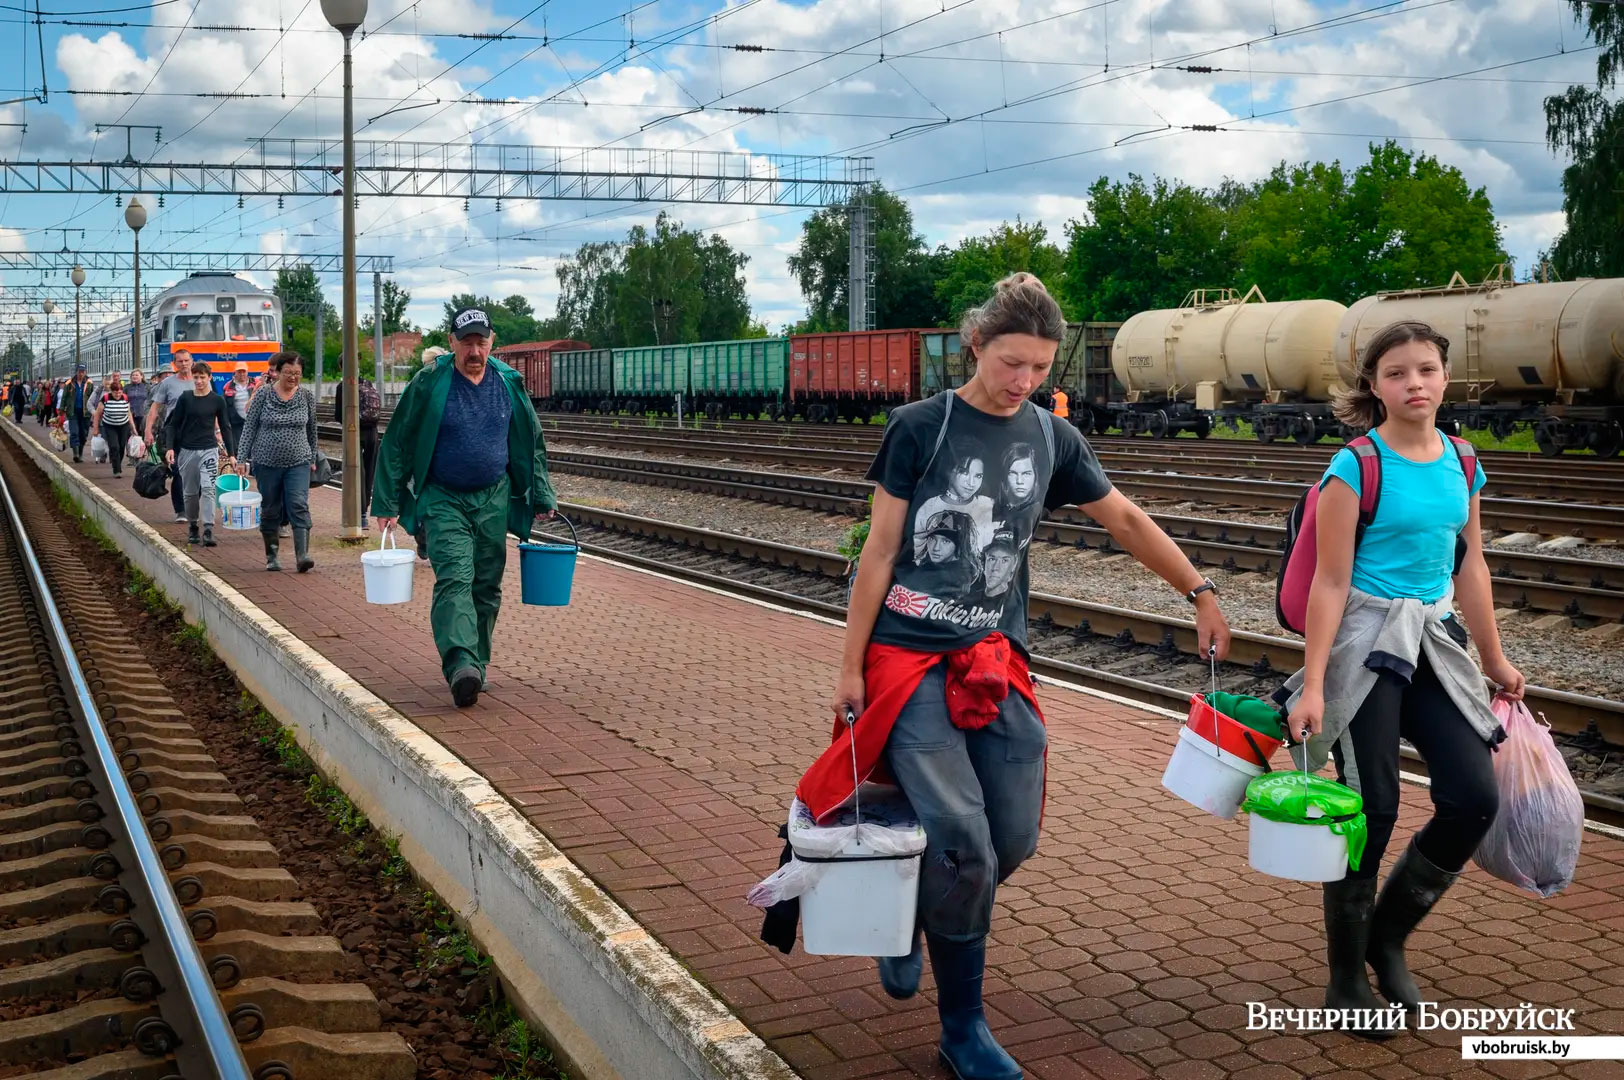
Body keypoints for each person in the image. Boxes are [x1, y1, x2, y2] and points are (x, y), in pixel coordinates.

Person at [806, 273, 1232, 1080]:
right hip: (908, 656)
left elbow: (1126, 518)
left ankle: (910, 921)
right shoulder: (919, 428)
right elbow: (881, 550)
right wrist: (851, 665)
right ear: (975, 345)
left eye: (1039, 368)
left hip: (994, 657)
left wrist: (1198, 590)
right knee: (964, 841)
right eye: (1011, 364)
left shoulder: (1050, 437)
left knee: (1010, 838)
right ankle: (962, 1029)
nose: (1024, 383)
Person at [1280, 320, 1520, 1039]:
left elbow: (1469, 565)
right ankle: (1347, 976)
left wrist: (1496, 657)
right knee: (1370, 808)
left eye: (1426, 369)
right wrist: (1315, 685)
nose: (1414, 383)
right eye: (1396, 373)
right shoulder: (1355, 466)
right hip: (1364, 641)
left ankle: (1386, 934)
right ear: (1374, 386)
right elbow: (1328, 583)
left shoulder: (1465, 461)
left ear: (1447, 377)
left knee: (1473, 797)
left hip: (1435, 642)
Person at [371, 306, 558, 709]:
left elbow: (531, 443)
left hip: (494, 496)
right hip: (443, 497)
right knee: (456, 576)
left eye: (481, 342)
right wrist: (385, 500)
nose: (475, 350)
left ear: (492, 343)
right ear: (452, 342)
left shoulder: (508, 382)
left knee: (486, 585)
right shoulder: (430, 382)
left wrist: (540, 494)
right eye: (467, 342)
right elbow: (398, 439)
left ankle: (478, 663)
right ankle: (460, 663)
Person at [237, 352, 319, 573]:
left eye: (297, 373)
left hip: (298, 461)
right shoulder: (263, 395)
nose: (293, 377)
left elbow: (312, 430)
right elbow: (250, 427)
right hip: (266, 462)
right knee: (271, 507)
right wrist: (242, 458)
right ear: (277, 372)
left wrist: (312, 458)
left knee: (298, 504)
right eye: (288, 373)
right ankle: (272, 556)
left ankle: (302, 555)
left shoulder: (306, 397)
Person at [163, 361, 237, 547]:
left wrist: (232, 453)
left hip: (209, 449)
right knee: (190, 492)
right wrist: (170, 447)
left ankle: (209, 529)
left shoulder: (217, 400)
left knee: (209, 488)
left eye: (202, 377)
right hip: (187, 450)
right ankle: (193, 525)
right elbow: (173, 424)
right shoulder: (185, 398)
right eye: (195, 377)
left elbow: (226, 427)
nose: (199, 381)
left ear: (209, 378)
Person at [146, 352, 197, 524]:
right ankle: (181, 510)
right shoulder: (168, 384)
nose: (184, 364)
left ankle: (193, 503)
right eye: (180, 361)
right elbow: (154, 408)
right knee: (179, 472)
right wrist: (148, 431)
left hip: (197, 432)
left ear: (192, 362)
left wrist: (217, 430)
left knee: (197, 473)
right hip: (174, 432)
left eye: (186, 361)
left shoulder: (201, 380)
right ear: (175, 364)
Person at [333, 372, 381, 530]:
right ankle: (364, 513)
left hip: (355, 433)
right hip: (373, 433)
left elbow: (339, 415)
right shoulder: (368, 383)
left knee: (356, 472)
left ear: (341, 366)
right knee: (369, 472)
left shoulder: (343, 386)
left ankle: (359, 515)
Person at [91, 374, 136, 478]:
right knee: (114, 446)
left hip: (123, 425)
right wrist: (96, 428)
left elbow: (129, 413)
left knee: (121, 446)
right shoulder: (105, 398)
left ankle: (118, 464)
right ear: (111, 391)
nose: (118, 395)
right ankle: (116, 470)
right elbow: (97, 414)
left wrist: (133, 428)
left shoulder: (125, 398)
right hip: (110, 425)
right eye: (116, 392)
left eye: (120, 392)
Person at [64, 365, 96, 462]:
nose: (81, 374)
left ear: (85, 372)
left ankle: (80, 453)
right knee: (74, 432)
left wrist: (94, 411)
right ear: (76, 372)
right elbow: (64, 397)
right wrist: (61, 410)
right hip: (73, 412)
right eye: (79, 372)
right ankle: (76, 454)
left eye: (83, 372)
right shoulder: (69, 383)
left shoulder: (90, 383)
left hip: (85, 413)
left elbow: (93, 398)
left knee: (83, 434)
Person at [223, 362, 255, 447]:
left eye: (243, 371)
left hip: (253, 422)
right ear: (235, 372)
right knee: (238, 447)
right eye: (239, 371)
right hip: (236, 423)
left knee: (253, 447)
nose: (242, 374)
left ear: (247, 372)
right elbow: (224, 406)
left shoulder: (255, 383)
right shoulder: (228, 386)